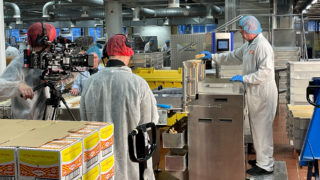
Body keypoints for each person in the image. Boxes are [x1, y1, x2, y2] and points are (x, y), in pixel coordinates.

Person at [201, 15, 278, 176]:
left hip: (263, 94)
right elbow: (233, 56)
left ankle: (266, 165)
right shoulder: (249, 44)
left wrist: (244, 78)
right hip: (255, 93)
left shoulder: (262, 46)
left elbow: (266, 72)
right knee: (257, 128)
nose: (241, 33)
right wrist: (213, 57)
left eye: (242, 30)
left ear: (251, 30)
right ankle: (261, 160)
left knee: (262, 129)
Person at [80, 34, 159, 180]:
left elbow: (84, 121)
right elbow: (150, 122)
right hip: (132, 160)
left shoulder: (90, 83)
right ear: (128, 55)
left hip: (100, 159)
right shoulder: (138, 84)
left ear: (107, 54)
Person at [0, 22, 56, 120]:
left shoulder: (51, 59)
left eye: (47, 47)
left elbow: (65, 79)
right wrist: (17, 85)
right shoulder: (19, 63)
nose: (45, 51)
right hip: (25, 123)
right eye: (42, 47)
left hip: (48, 121)